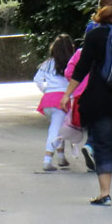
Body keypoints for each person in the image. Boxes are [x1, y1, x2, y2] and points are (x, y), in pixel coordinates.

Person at [59, 0, 112, 206]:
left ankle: (104, 193)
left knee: (104, 145)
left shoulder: (96, 35)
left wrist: (67, 94)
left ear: (100, 9)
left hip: (102, 99)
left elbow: (82, 67)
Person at [34, 34, 75, 171]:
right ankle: (47, 160)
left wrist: (47, 90)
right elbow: (75, 83)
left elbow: (37, 79)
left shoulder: (47, 63)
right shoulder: (71, 64)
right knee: (56, 130)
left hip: (47, 101)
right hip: (62, 100)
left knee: (57, 127)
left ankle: (61, 157)